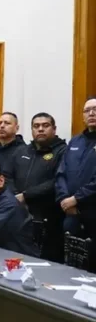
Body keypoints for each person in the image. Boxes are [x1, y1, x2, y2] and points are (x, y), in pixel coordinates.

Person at [12, 113, 66, 261]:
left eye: (45, 125)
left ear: (54, 129)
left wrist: (26, 195)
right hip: (20, 214)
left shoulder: (62, 151)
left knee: (46, 261)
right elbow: (7, 176)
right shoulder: (22, 151)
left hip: (49, 218)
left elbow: (57, 181)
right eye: (36, 126)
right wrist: (14, 195)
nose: (40, 129)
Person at [56, 97, 96, 246]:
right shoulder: (75, 141)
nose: (91, 113)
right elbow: (61, 173)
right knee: (71, 257)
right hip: (72, 213)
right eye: (87, 111)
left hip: (92, 211)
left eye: (95, 110)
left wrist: (76, 198)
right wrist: (65, 199)